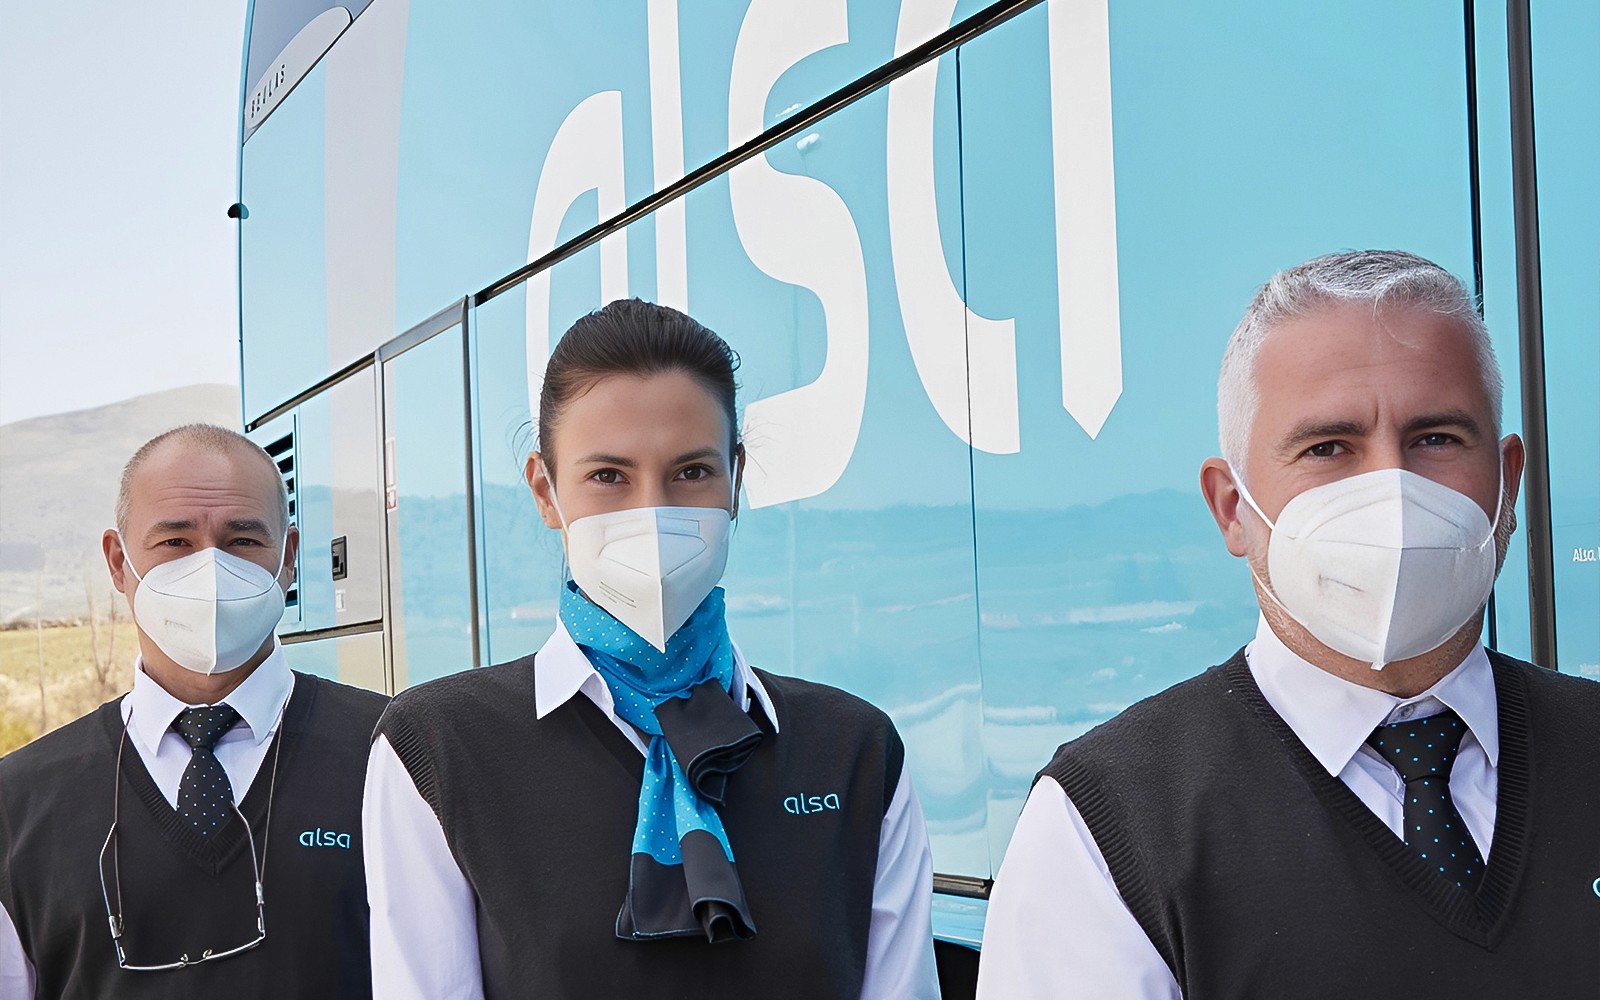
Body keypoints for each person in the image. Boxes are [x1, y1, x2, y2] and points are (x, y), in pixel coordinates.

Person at [976, 250, 1599, 998]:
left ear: (1508, 482)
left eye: (1435, 437)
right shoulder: (1106, 831)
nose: (1390, 493)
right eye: (1328, 447)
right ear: (1232, 506)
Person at [363, 299, 940, 999]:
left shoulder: (856, 751)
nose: (653, 510)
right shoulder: (439, 748)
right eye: (608, 476)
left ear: (735, 481)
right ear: (546, 491)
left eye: (691, 471)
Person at [0, 424, 388, 999]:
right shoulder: (18, 801)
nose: (210, 570)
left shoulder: (397, 755)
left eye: (242, 542)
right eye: (175, 543)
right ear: (117, 562)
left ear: (288, 559)